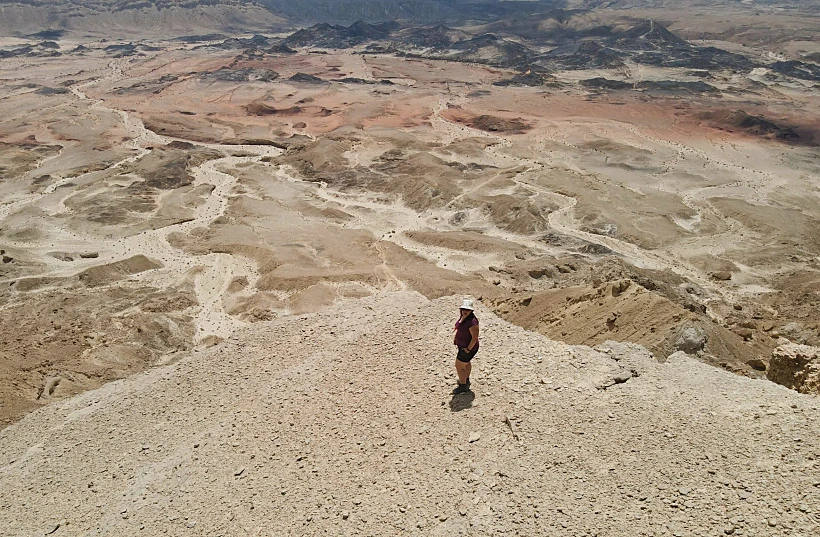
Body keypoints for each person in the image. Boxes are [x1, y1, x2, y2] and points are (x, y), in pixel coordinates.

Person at [452, 298, 479, 394]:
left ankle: (463, 386)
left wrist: (468, 349)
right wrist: (456, 338)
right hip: (463, 346)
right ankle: (466, 379)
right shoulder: (463, 317)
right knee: (466, 363)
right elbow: (459, 328)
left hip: (468, 348)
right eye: (463, 309)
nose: (464, 311)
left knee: (459, 366)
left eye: (467, 310)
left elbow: (474, 338)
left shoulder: (472, 322)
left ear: (471, 311)